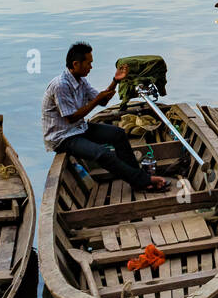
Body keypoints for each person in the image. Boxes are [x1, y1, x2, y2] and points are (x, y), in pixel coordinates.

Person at [42, 42, 169, 192]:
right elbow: (71, 118)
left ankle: (138, 180)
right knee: (103, 154)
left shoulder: (80, 80)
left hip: (78, 128)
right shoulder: (60, 85)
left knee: (118, 134)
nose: (91, 67)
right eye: (88, 63)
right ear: (76, 64)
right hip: (62, 137)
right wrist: (96, 100)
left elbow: (102, 101)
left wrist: (115, 82)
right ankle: (143, 180)